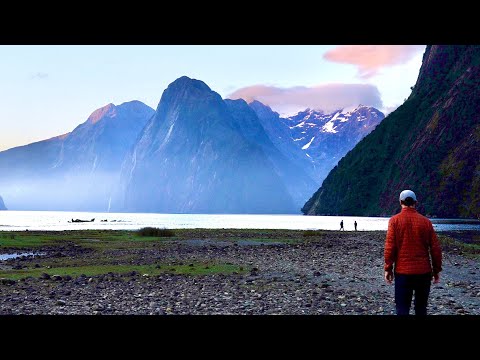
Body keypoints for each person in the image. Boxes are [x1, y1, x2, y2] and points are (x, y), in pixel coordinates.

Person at [384, 190, 442, 315]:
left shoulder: (394, 221)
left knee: (402, 309)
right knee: (421, 309)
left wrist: (388, 269)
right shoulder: (426, 222)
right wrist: (436, 270)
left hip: (402, 273)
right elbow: (435, 249)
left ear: (400, 202)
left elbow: (390, 248)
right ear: (416, 203)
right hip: (423, 273)